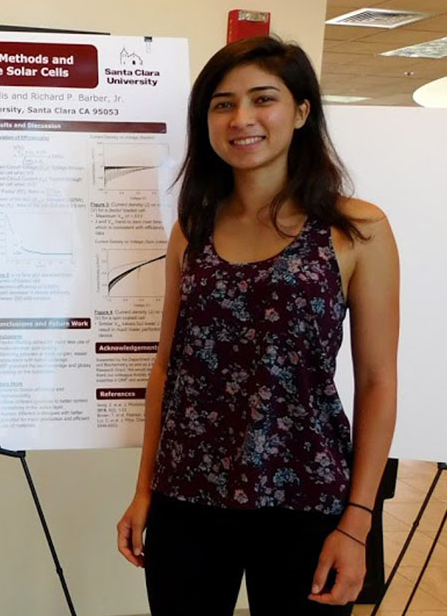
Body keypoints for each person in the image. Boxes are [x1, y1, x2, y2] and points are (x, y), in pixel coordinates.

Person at [115, 35, 399, 615]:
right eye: (222, 104)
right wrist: (145, 491)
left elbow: (376, 382)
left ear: (300, 112)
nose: (242, 118)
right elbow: (167, 367)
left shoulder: (356, 230)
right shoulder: (192, 228)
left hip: (307, 496)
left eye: (262, 99)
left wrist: (357, 522)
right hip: (188, 494)